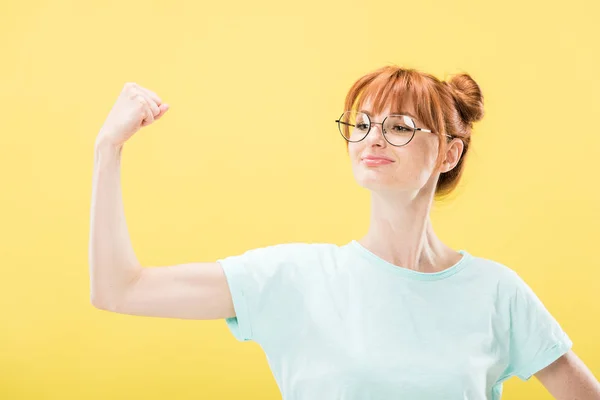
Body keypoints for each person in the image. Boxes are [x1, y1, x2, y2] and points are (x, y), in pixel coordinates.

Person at [89, 66, 600, 399]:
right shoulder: (293, 278)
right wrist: (107, 150)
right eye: (362, 123)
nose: (372, 138)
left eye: (399, 126)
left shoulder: (497, 292)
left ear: (449, 153)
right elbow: (120, 289)